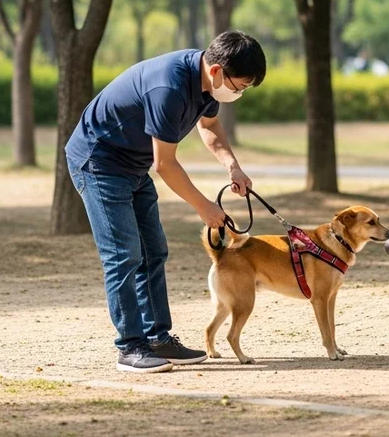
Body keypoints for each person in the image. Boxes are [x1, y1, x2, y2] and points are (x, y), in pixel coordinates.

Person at [64, 31, 265, 373]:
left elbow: (211, 124)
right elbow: (166, 164)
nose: (239, 92)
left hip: (132, 164)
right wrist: (205, 207)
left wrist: (232, 165)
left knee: (154, 250)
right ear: (216, 71)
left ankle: (158, 338)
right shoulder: (169, 87)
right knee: (124, 254)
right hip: (99, 161)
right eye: (239, 85)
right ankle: (130, 348)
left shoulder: (204, 84)